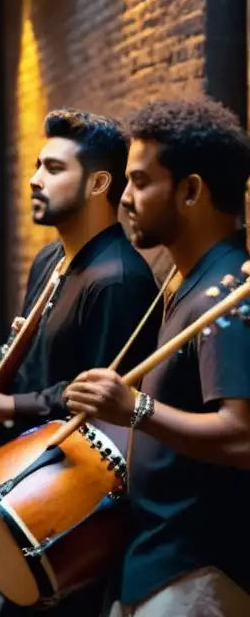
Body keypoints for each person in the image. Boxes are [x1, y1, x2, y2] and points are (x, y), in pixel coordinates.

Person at [0, 109, 161, 616]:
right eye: (36, 165)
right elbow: (36, 367)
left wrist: (5, 404)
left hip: (71, 508)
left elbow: (98, 412)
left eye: (53, 168)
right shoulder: (50, 260)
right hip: (27, 482)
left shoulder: (117, 280)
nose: (34, 178)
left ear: (98, 183)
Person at [65, 97, 250, 616]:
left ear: (191, 190)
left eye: (141, 182)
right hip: (158, 560)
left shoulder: (227, 295)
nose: (124, 198)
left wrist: (134, 409)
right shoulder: (185, 279)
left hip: (198, 569)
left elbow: (242, 436)